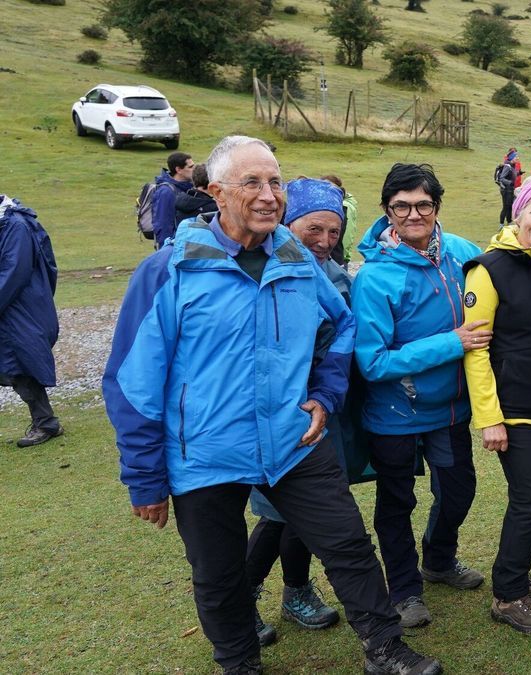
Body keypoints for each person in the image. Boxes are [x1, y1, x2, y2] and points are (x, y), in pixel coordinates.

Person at [103, 135, 441, 675]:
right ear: (216, 192)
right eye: (252, 183)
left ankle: (386, 649)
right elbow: (131, 381)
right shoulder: (170, 270)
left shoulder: (295, 260)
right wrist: (144, 476)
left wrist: (326, 395)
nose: (269, 195)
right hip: (204, 452)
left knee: (349, 545)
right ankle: (241, 665)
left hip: (292, 439)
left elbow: (342, 326)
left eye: (276, 182)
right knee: (218, 574)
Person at [352, 163, 487, 629]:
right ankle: (406, 590)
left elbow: (513, 264)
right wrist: (453, 342)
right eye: (401, 206)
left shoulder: (461, 254)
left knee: (458, 490)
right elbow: (372, 362)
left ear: (436, 206)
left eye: (423, 204)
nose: (413, 214)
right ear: (387, 211)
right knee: (396, 504)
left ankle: (439, 559)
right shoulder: (374, 279)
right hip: (394, 415)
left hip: (450, 409)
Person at [462, 173, 531, 634]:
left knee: (527, 498)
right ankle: (508, 594)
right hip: (512, 412)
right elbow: (476, 349)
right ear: (517, 212)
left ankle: (517, 576)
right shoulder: (487, 268)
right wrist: (489, 418)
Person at [243, 177, 350, 646]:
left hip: (323, 410)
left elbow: (342, 343)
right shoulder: (260, 270)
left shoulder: (338, 276)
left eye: (333, 232)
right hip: (274, 414)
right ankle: (239, 600)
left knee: (307, 513)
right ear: (287, 224)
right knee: (276, 513)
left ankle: (296, 591)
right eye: (313, 230)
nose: (324, 242)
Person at [0, 194, 64, 448]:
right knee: (14, 364)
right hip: (11, 307)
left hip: (19, 307)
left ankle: (46, 423)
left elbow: (14, 271)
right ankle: (45, 421)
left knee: (20, 365)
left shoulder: (15, 226)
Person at [151, 151, 195, 248]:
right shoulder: (166, 192)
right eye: (190, 167)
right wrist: (166, 250)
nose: (194, 169)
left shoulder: (189, 187)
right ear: (178, 169)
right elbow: (163, 224)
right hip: (173, 247)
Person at [322, 174, 359, 269]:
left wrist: (345, 256)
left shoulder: (344, 207)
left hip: (337, 258)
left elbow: (347, 234)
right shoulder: (328, 205)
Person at [496, 156, 517, 227]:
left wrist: (519, 173)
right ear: (511, 158)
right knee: (505, 206)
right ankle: (501, 224)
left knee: (510, 206)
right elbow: (502, 178)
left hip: (510, 189)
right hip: (505, 190)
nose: (517, 158)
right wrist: (509, 182)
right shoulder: (507, 166)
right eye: (515, 157)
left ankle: (509, 221)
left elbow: (511, 175)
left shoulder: (512, 166)